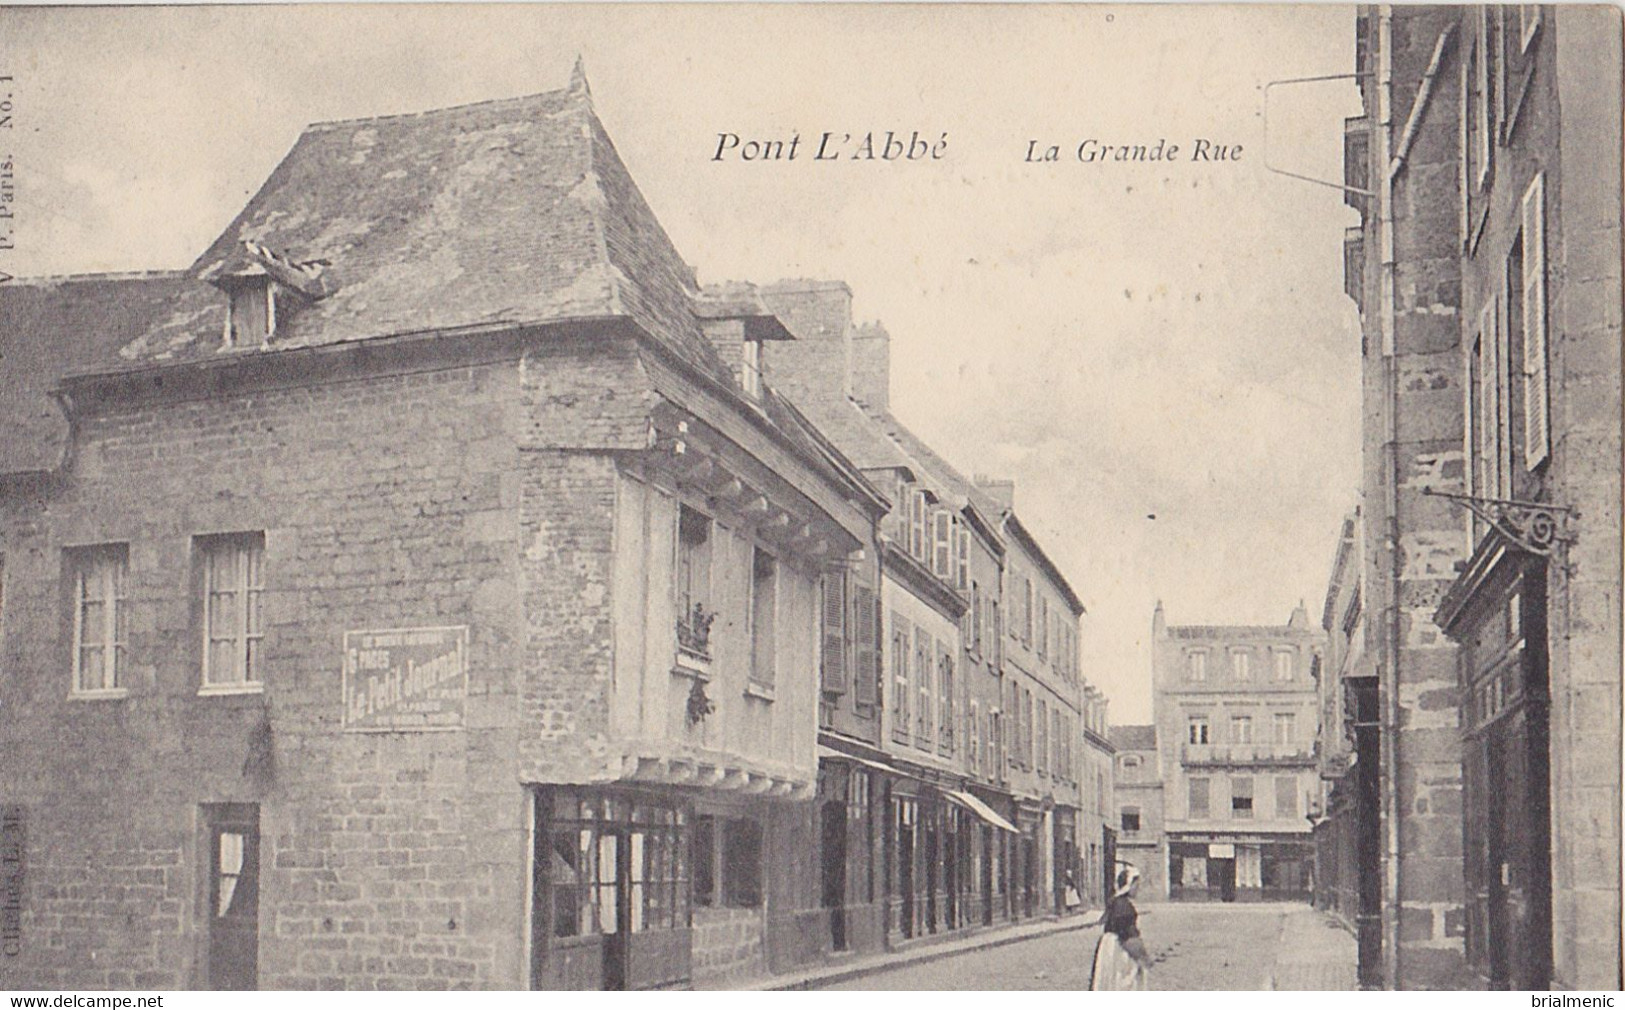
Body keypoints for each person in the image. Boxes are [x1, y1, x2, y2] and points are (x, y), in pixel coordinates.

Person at [1088, 865, 1154, 990]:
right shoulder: (1124, 907)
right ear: (1129, 885)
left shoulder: (1115, 902)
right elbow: (1129, 938)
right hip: (1118, 951)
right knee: (1123, 983)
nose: (1137, 889)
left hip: (1109, 949)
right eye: (1136, 886)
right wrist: (1143, 957)